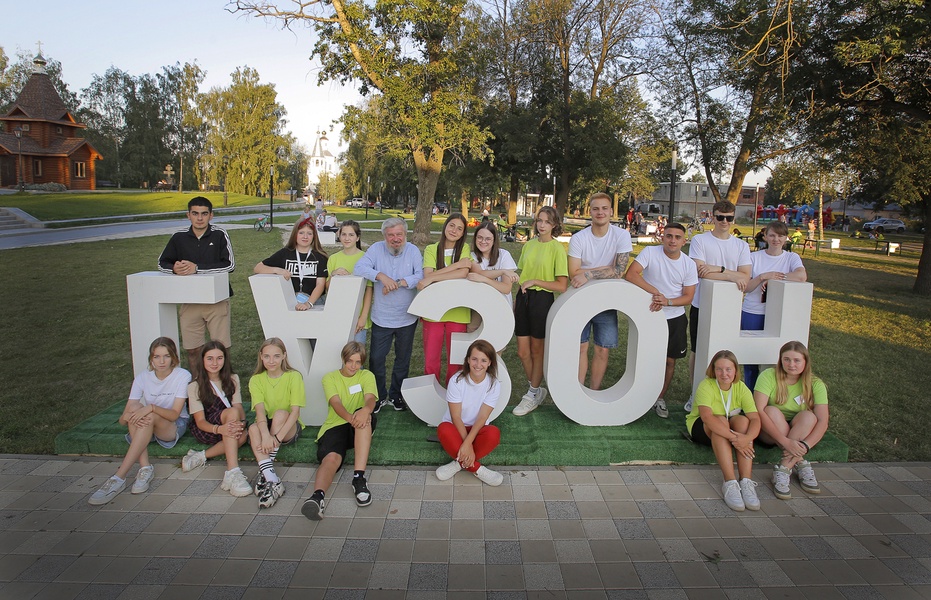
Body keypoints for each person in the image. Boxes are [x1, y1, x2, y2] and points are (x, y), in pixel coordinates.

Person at [88, 338, 191, 505]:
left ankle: (119, 477)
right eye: (156, 356)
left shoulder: (182, 375)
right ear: (151, 358)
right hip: (148, 424)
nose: (162, 361)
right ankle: (145, 467)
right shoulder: (143, 377)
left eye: (166, 356)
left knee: (146, 413)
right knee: (136, 408)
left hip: (173, 425)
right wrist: (129, 416)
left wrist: (150, 407)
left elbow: (173, 415)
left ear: (174, 357)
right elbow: (123, 419)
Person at [624, 223, 698, 418]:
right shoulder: (650, 252)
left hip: (675, 318)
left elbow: (688, 297)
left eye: (677, 237)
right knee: (643, 358)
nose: (672, 240)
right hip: (650, 314)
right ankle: (638, 396)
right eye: (669, 236)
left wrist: (668, 301)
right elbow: (631, 274)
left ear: (684, 241)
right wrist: (656, 294)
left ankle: (659, 397)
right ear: (662, 237)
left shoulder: (689, 264)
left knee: (669, 361)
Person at [685, 200, 751, 412]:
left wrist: (719, 270)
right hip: (701, 305)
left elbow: (746, 277)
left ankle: (727, 398)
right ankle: (695, 393)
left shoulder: (741, 245)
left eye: (729, 218)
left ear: (734, 218)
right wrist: (731, 273)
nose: (724, 221)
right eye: (720, 217)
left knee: (728, 353)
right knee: (698, 350)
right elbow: (698, 271)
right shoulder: (700, 240)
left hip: (730, 308)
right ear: (712, 217)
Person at [354, 217, 424, 411]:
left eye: (399, 234)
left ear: (405, 234)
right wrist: (381, 276)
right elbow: (359, 267)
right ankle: (377, 396)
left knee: (402, 358)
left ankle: (396, 395)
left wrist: (399, 282)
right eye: (391, 235)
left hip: (407, 317)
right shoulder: (376, 249)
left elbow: (420, 275)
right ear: (384, 236)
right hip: (381, 317)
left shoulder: (413, 251)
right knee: (377, 358)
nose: (395, 238)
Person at [302, 342, 378, 520]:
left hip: (360, 422)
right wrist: (352, 418)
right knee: (331, 458)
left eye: (358, 362)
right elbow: (336, 404)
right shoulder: (329, 378)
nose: (353, 366)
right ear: (343, 359)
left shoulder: (367, 376)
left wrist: (364, 412)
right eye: (350, 361)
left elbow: (370, 400)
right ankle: (317, 497)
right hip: (336, 424)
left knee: (364, 421)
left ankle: (358, 478)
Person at [157, 197, 235, 371]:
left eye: (204, 214)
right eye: (195, 213)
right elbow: (162, 262)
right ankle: (197, 387)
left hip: (216, 301)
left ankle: (224, 387)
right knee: (193, 350)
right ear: (188, 215)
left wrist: (197, 268)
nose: (200, 218)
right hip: (190, 301)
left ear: (211, 215)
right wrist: (174, 268)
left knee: (221, 349)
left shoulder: (219, 234)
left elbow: (229, 265)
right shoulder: (179, 237)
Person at [568, 193, 632, 391]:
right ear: (590, 211)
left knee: (603, 349)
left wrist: (587, 274)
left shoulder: (621, 235)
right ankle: (578, 391)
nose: (600, 212)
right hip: (580, 298)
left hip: (606, 299)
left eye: (604, 208)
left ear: (611, 211)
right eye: (596, 208)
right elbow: (573, 273)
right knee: (580, 347)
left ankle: (593, 392)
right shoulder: (579, 238)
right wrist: (606, 268)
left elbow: (620, 271)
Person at [685, 350, 761, 512]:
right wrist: (736, 439)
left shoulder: (741, 388)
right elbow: (707, 418)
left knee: (743, 421)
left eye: (728, 369)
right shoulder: (707, 385)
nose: (724, 374)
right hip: (703, 428)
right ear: (713, 370)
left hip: (729, 426)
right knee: (719, 421)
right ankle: (730, 483)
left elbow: (755, 418)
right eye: (719, 369)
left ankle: (746, 481)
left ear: (735, 370)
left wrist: (747, 437)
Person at [512, 206, 569, 416]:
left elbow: (562, 285)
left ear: (554, 225)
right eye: (539, 220)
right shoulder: (528, 245)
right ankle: (536, 390)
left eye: (546, 221)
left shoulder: (557, 249)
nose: (542, 225)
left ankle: (531, 393)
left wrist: (536, 281)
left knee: (537, 352)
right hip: (524, 298)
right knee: (522, 351)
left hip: (542, 300)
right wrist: (518, 300)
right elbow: (523, 275)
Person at [754, 341, 829, 500]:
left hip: (799, 431)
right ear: (780, 360)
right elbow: (758, 411)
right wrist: (785, 441)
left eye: (796, 360)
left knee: (810, 416)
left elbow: (823, 420)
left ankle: (783, 469)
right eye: (786, 359)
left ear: (806, 362)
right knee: (770, 410)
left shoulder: (816, 384)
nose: (791, 364)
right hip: (770, 431)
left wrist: (806, 446)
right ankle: (800, 463)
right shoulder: (768, 375)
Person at [741, 222, 807, 389]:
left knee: (778, 356)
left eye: (780, 236)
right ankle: (750, 394)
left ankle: (773, 394)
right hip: (753, 311)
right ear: (765, 236)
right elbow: (747, 287)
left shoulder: (791, 257)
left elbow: (801, 276)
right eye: (772, 235)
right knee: (751, 357)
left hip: (780, 314)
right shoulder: (754, 257)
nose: (776, 239)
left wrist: (775, 279)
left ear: (786, 238)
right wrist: (763, 276)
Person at [180, 341, 250, 497]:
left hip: (229, 424)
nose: (215, 363)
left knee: (243, 434)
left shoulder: (233, 378)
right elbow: (200, 422)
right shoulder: (194, 386)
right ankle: (233, 471)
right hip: (209, 428)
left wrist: (242, 424)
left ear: (225, 360)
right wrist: (220, 429)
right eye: (210, 358)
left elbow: (238, 406)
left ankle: (201, 456)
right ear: (202, 360)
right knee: (231, 413)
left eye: (219, 358)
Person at [435, 340, 504, 486]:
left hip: (477, 430)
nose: (478, 364)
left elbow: (482, 417)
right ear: (467, 360)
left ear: (490, 362)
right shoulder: (457, 381)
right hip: (456, 427)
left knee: (493, 434)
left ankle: (458, 464)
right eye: (474, 359)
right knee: (443, 429)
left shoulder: (493, 384)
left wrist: (468, 444)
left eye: (483, 360)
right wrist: (468, 446)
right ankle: (477, 469)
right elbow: (456, 417)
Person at [247, 338, 305, 509]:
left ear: (284, 356)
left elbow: (295, 413)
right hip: (268, 423)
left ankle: (265, 472)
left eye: (276, 356)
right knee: (252, 428)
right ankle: (272, 479)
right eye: (267, 356)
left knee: (280, 413)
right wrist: (265, 435)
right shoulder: (256, 380)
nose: (271, 361)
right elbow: (259, 412)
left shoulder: (293, 376)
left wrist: (275, 439)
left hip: (289, 426)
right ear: (261, 357)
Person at [417, 214, 473, 385]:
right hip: (434, 311)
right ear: (445, 226)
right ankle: (430, 395)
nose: (454, 231)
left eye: (459, 228)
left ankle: (453, 393)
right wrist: (456, 266)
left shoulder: (464, 249)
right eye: (451, 225)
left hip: (458, 311)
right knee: (431, 359)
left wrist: (434, 277)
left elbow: (463, 273)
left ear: (463, 233)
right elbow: (427, 275)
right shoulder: (431, 249)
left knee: (455, 361)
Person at [254, 217, 328, 310]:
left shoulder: (320, 257)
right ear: (295, 234)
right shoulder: (285, 253)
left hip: (315, 302)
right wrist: (277, 270)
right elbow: (258, 267)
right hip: (290, 302)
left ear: (314, 236)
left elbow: (320, 284)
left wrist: (308, 304)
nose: (305, 237)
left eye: (309, 233)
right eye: (301, 233)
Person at [327, 220, 374, 344]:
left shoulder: (366, 258)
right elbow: (327, 288)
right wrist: (333, 274)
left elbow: (369, 290)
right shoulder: (333, 258)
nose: (347, 238)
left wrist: (363, 317)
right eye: (344, 234)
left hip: (358, 315)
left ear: (357, 237)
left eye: (351, 235)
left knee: (356, 356)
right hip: (338, 315)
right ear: (339, 235)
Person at [469, 221, 519, 306]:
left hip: (502, 306)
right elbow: (480, 273)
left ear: (494, 240)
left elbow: (506, 288)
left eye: (488, 239)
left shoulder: (504, 255)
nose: (483, 241)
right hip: (481, 306)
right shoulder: (472, 256)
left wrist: (484, 280)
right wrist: (503, 271)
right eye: (480, 237)